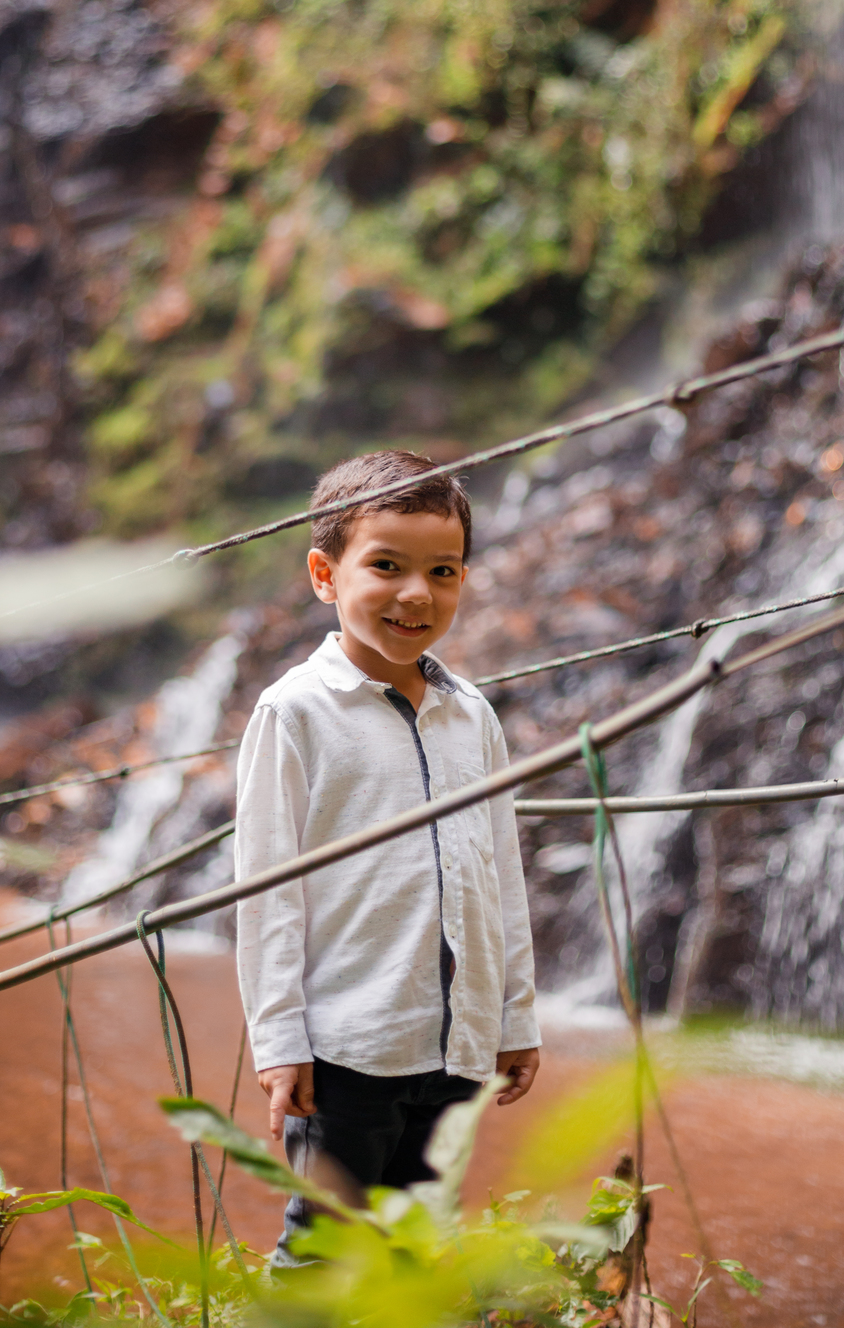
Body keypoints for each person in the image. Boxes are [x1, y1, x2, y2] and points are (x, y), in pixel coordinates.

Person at [234, 448, 540, 1259]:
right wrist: (280, 1041)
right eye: (387, 566)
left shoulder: (471, 715)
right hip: (348, 1047)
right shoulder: (294, 713)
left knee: (421, 1248)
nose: (417, 593)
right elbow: (266, 890)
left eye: (444, 570)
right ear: (325, 575)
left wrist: (515, 1014)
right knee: (321, 1251)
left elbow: (498, 873)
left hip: (457, 1044)